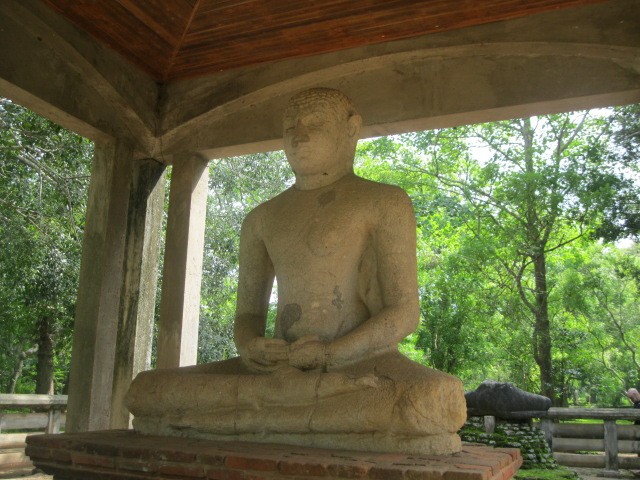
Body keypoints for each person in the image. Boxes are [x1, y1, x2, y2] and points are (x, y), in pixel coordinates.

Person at [127, 88, 465, 455]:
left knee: (432, 397)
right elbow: (248, 315)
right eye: (290, 127)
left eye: (315, 124)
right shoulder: (261, 219)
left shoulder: (384, 202)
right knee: (148, 389)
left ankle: (262, 413)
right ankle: (301, 409)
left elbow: (404, 312)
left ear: (351, 129)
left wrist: (331, 354)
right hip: (275, 373)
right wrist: (252, 346)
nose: (298, 137)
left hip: (362, 365)